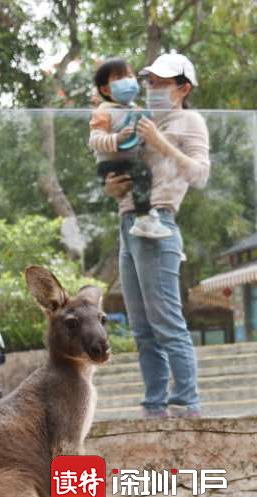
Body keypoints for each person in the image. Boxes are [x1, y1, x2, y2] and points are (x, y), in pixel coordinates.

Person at [104, 53, 210, 418]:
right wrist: (112, 188)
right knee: (141, 328)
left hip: (159, 224)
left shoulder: (190, 120)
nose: (152, 88)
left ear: (183, 88)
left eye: (161, 83)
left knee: (166, 322)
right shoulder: (136, 119)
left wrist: (160, 141)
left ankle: (187, 400)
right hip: (127, 223)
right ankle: (154, 404)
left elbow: (200, 174)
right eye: (150, 82)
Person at [90, 57, 170, 239]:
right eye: (119, 78)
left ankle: (145, 217)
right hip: (110, 165)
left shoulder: (136, 110)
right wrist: (117, 138)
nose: (127, 80)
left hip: (129, 162)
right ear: (105, 89)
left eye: (130, 76)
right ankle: (144, 218)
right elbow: (94, 140)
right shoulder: (103, 112)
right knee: (142, 172)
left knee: (142, 173)